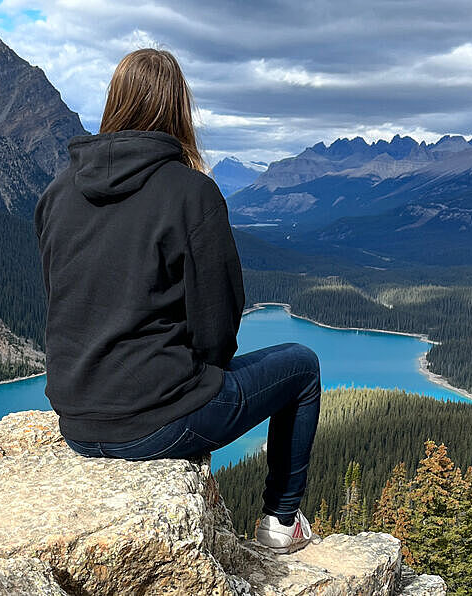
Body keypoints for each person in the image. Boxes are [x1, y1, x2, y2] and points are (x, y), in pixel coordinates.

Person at [33, 48, 321, 554]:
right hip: (157, 424)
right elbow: (217, 326)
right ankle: (281, 521)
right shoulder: (192, 192)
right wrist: (195, 382)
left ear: (113, 104)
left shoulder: (57, 191)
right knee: (301, 366)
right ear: (177, 109)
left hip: (75, 422)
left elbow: (64, 299)